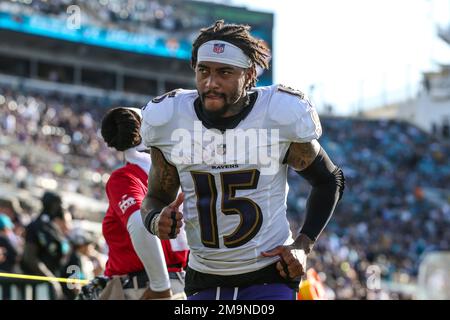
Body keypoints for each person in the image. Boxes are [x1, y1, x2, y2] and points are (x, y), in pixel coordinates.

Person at [140, 20, 345, 300]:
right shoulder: (171, 120)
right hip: (204, 277)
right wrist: (155, 220)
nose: (211, 83)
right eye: (204, 71)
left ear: (249, 75)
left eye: (224, 72)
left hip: (270, 274)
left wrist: (303, 244)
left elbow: (329, 180)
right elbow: (154, 198)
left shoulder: (276, 114)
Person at [100, 107, 189, 300]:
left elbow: (141, 224)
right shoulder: (179, 173)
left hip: (147, 288)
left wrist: (160, 285)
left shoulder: (125, 178)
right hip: (184, 285)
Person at [21, 191, 72, 300]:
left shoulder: (52, 226)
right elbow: (30, 257)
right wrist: (51, 279)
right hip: (39, 286)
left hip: (54, 282)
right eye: (59, 204)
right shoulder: (36, 226)